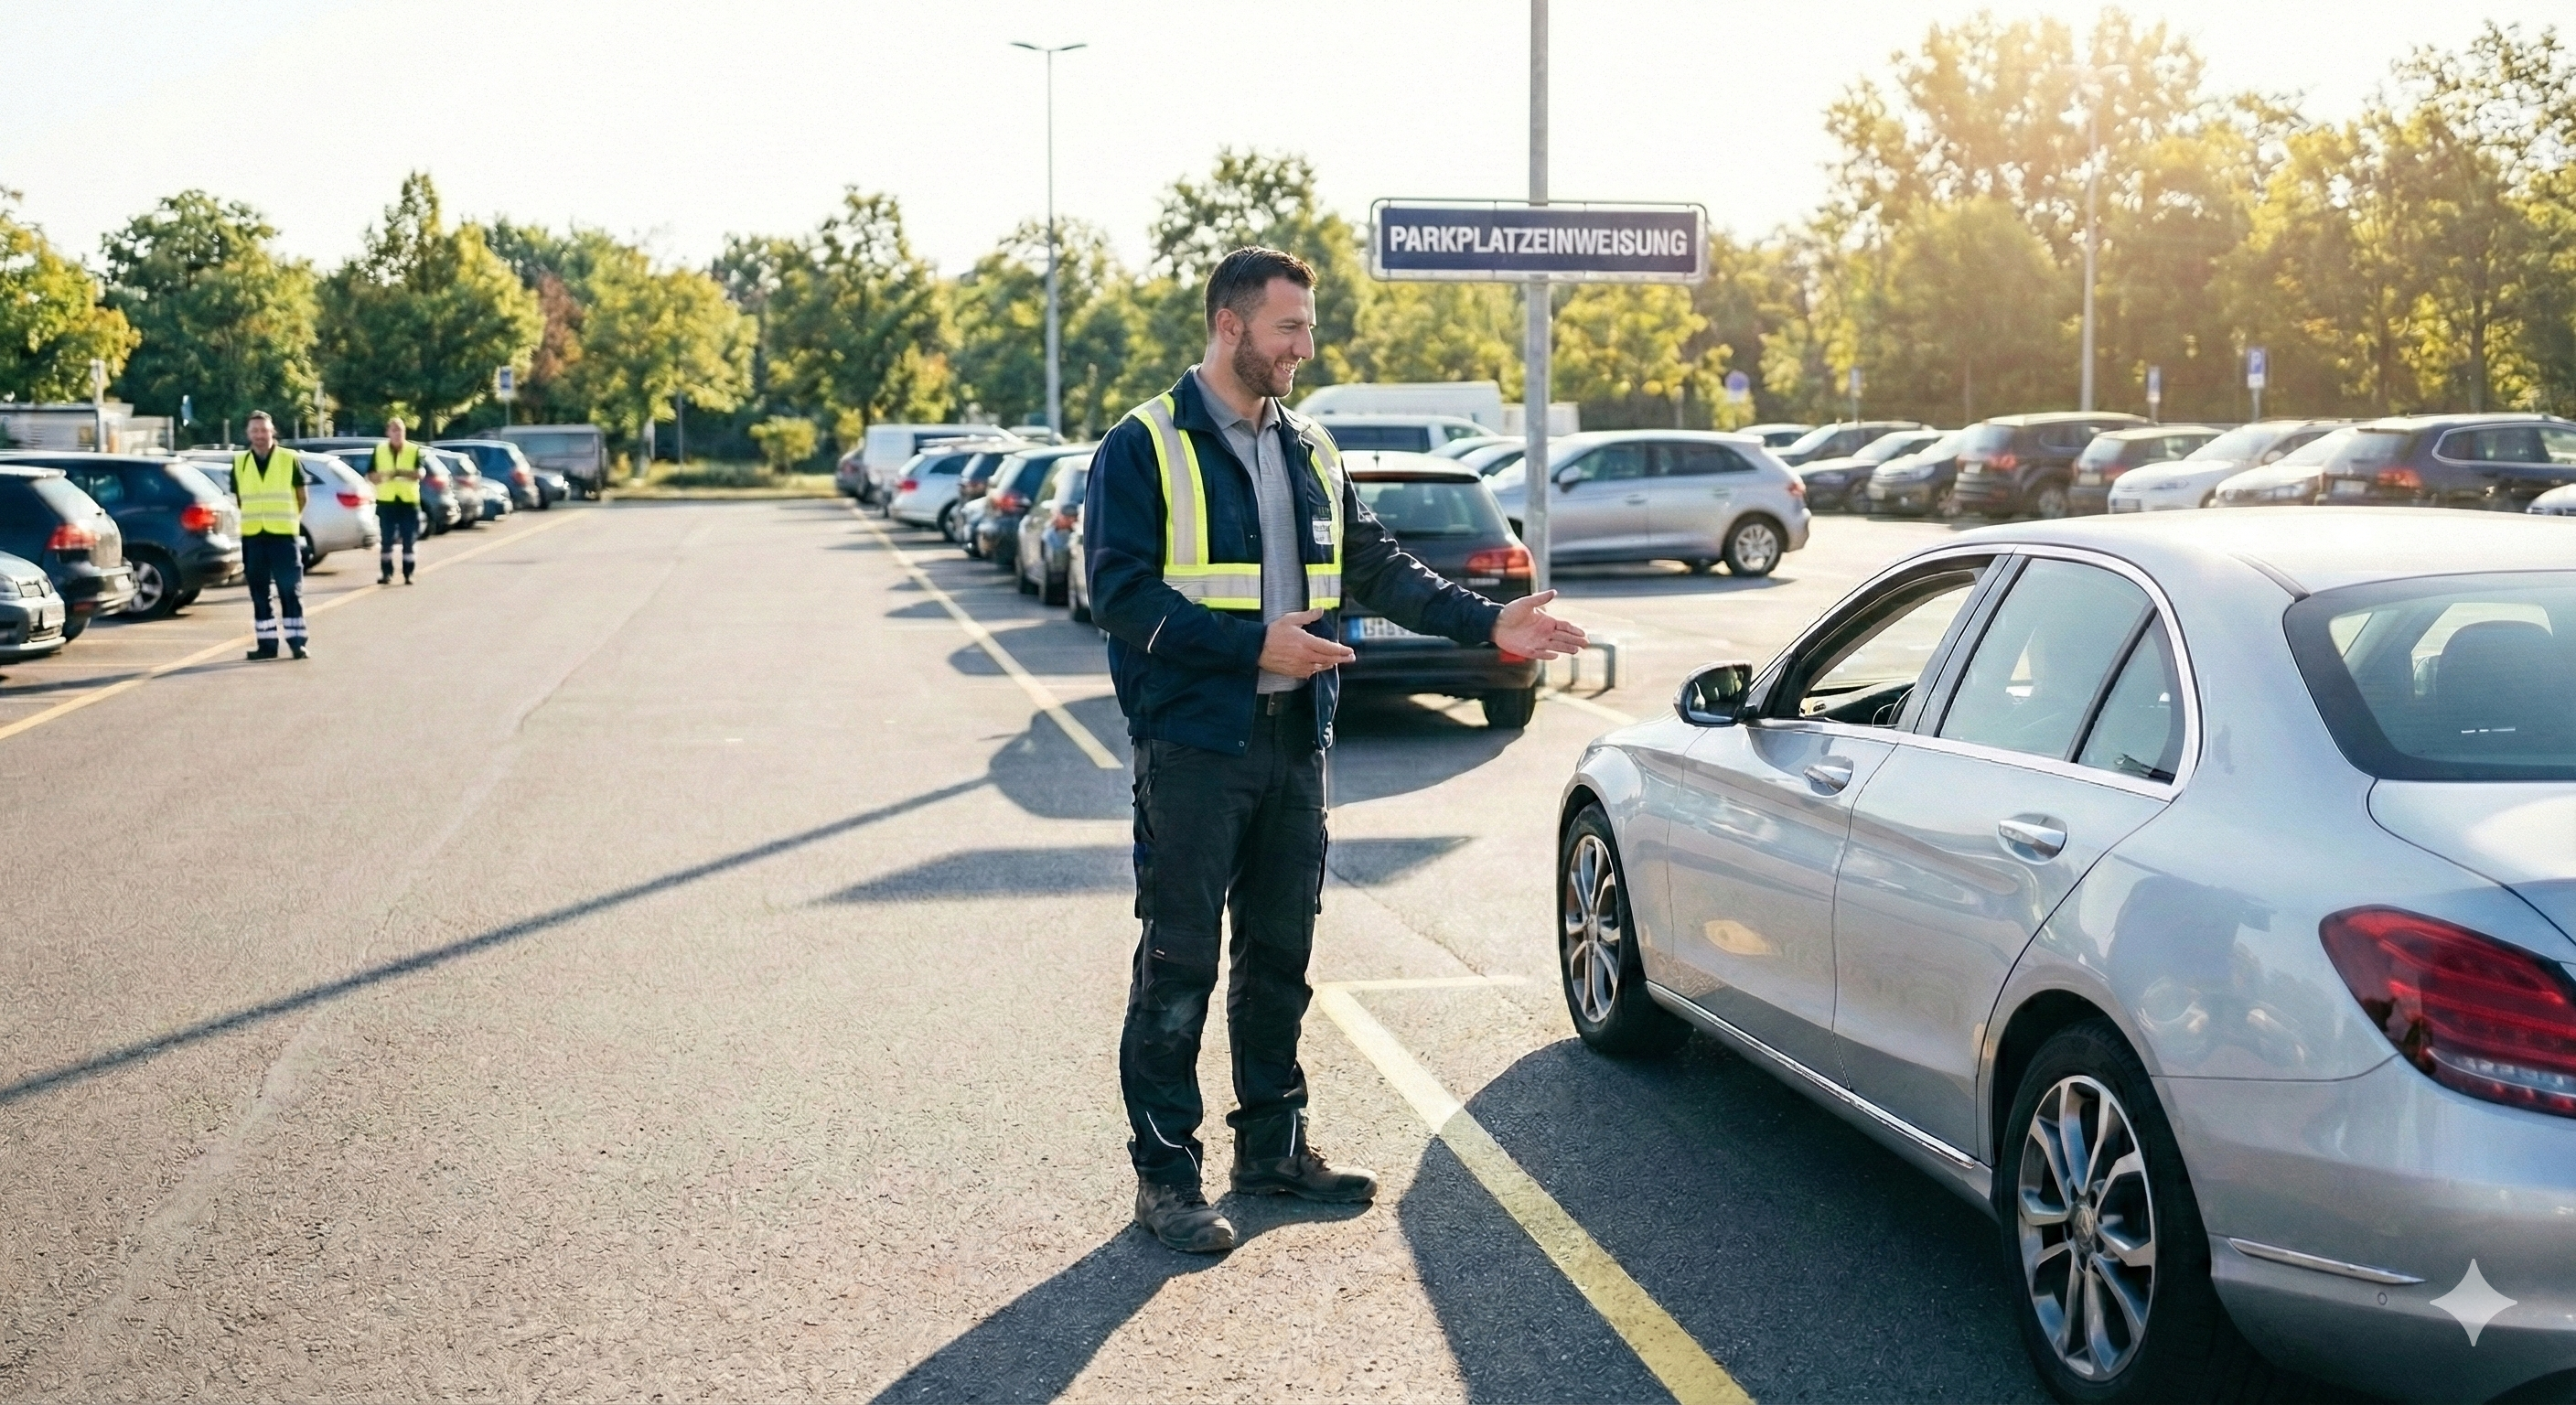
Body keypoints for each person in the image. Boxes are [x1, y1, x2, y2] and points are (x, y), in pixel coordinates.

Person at [1086, 247, 1588, 1254]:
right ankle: (1166, 1181)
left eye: (1307, 328)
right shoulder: (1142, 445)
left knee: (1279, 959)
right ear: (1230, 327)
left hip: (1293, 742)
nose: (1304, 349)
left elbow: (1375, 566)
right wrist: (1248, 645)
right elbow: (1118, 592)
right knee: (1179, 965)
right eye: (1288, 330)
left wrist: (1484, 624)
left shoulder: (1309, 446)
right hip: (1192, 747)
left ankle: (1269, 1154)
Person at [233, 411, 310, 660]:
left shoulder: (289, 459)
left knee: (290, 589)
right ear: (248, 434)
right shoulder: (240, 462)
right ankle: (266, 645)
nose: (259, 435)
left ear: (272, 431)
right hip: (254, 537)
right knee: (259, 592)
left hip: (283, 537)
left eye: (263, 430)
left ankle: (297, 642)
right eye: (254, 431)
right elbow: (241, 500)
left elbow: (302, 497)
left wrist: (290, 521)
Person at [369, 417, 423, 584]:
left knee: (409, 539)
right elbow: (371, 475)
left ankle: (408, 573)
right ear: (388, 433)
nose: (398, 433)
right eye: (394, 430)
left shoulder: (413, 450)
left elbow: (419, 473)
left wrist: (399, 472)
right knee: (386, 540)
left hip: (408, 501)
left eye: (400, 430)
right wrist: (383, 476)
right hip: (387, 501)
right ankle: (386, 573)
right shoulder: (379, 450)